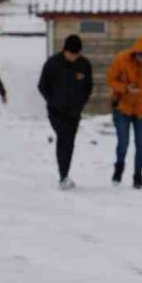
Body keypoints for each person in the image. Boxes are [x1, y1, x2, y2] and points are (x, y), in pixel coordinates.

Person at [106, 36, 142, 188]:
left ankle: (138, 175)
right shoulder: (121, 59)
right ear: (135, 52)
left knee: (141, 145)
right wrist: (125, 88)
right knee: (123, 142)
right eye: (139, 55)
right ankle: (119, 168)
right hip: (122, 107)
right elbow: (110, 79)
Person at [37, 35, 93, 189]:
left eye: (77, 54)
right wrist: (52, 101)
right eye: (71, 54)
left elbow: (89, 86)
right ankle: (63, 176)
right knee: (64, 137)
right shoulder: (52, 63)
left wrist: (82, 102)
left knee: (69, 142)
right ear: (65, 50)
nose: (74, 57)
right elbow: (42, 86)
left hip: (74, 112)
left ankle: (64, 174)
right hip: (56, 111)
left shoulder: (84, 64)